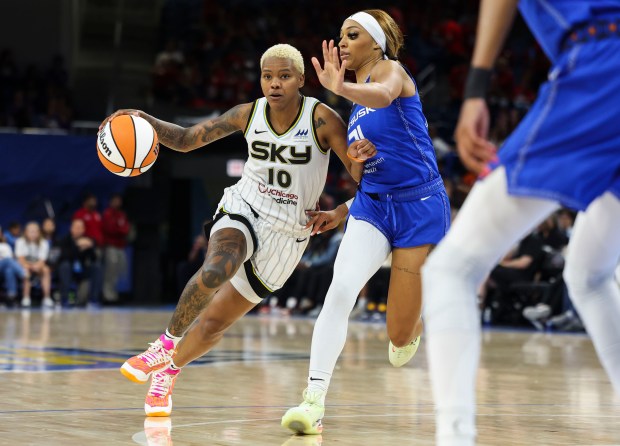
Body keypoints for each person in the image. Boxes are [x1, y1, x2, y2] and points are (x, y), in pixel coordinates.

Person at [100, 44, 376, 416]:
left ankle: (169, 370)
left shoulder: (322, 120)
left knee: (213, 325)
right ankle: (163, 345)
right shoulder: (249, 113)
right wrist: (142, 119)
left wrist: (342, 211)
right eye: (267, 76)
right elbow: (184, 140)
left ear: (300, 80)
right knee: (217, 267)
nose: (274, 84)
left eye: (283, 76)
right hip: (244, 206)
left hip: (287, 236)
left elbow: (368, 182)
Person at [421, 1, 620, 444]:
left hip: (604, 67)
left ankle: (455, 437)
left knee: (450, 269)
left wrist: (476, 88)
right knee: (589, 275)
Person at [282, 9, 450, 435]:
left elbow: (386, 94)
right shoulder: (354, 108)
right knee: (340, 290)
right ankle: (313, 399)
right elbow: (363, 175)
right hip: (373, 207)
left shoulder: (391, 73)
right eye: (339, 35)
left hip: (419, 206)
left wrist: (341, 87)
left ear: (375, 43)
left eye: (351, 35)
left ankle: (417, 316)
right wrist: (346, 197)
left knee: (397, 340)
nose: (342, 42)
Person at [57, 219, 102, 307]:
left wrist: (90, 246)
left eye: (80, 227)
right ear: (71, 229)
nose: (78, 229)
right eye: (76, 227)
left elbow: (94, 258)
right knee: (64, 266)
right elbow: (63, 256)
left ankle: (93, 300)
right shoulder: (64, 240)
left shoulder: (87, 240)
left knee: (97, 267)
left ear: (83, 230)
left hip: (82, 270)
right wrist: (77, 247)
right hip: (68, 270)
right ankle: (64, 299)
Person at [15, 221, 52, 308]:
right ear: (26, 232)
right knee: (26, 271)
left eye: (36, 231)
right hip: (24, 265)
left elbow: (42, 260)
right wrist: (29, 266)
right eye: (31, 231)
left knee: (46, 270)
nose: (33, 234)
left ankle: (47, 298)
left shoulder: (44, 242)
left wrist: (36, 266)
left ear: (39, 233)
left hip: (38, 265)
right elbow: (20, 259)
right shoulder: (20, 241)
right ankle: (26, 297)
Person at [102, 193, 130, 303]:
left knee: (119, 272)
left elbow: (126, 229)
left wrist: (119, 229)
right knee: (110, 272)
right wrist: (120, 229)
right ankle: (108, 296)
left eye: (119, 200)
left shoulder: (122, 214)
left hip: (120, 247)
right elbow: (110, 229)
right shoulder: (108, 214)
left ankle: (114, 295)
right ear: (111, 201)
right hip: (111, 246)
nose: (118, 202)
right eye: (116, 200)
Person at [0, 228, 26, 306]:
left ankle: (11, 297)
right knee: (7, 260)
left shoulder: (5, 246)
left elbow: (11, 258)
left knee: (9, 270)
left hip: (2, 271)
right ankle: (23, 273)